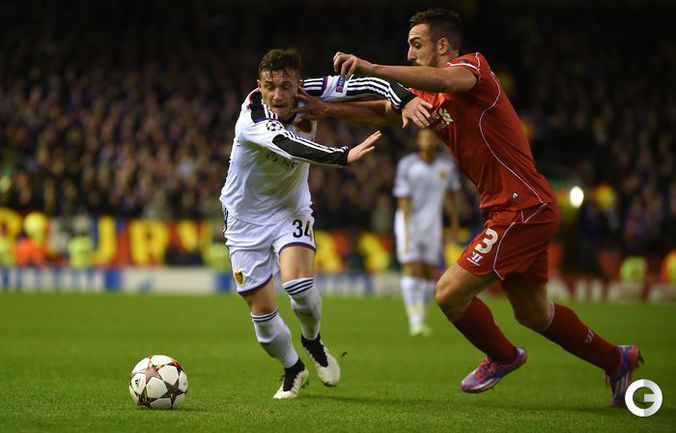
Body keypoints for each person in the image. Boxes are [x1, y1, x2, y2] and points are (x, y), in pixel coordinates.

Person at [323, 8, 640, 406]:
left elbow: (447, 80)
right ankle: (616, 360)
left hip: (521, 208)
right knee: (533, 313)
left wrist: (373, 69)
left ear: (443, 45)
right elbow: (385, 113)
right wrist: (325, 109)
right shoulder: (428, 95)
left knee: (448, 293)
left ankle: (503, 356)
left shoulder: (473, 67)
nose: (409, 54)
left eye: (416, 45)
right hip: (517, 209)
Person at [220, 48, 427, 399]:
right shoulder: (252, 117)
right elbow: (292, 146)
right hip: (244, 219)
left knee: (299, 286)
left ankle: (312, 341)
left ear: (298, 84)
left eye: (286, 86)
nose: (277, 95)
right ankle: (293, 368)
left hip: (290, 209)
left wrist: (404, 99)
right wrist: (344, 155)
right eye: (269, 86)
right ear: (259, 85)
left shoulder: (313, 90)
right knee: (263, 316)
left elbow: (366, 84)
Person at [394, 129, 461, 336]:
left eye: (432, 137)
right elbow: (403, 199)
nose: (428, 140)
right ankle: (414, 320)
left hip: (433, 225)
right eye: (424, 137)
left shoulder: (446, 166)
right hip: (409, 222)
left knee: (429, 273)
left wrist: (455, 224)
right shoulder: (408, 165)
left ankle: (421, 318)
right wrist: (406, 231)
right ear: (418, 141)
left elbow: (451, 197)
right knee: (411, 267)